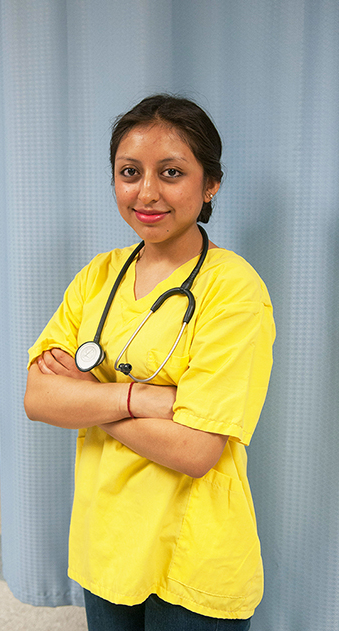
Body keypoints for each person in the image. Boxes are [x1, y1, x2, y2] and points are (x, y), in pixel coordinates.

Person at [24, 95, 275, 630]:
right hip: (105, 544)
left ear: (210, 185)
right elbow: (38, 397)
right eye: (130, 172)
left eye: (171, 172)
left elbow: (196, 448)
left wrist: (89, 399)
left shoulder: (233, 290)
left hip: (191, 557)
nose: (147, 192)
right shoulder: (99, 275)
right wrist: (142, 398)